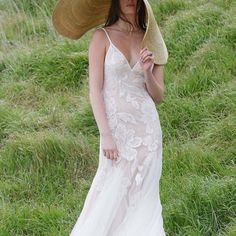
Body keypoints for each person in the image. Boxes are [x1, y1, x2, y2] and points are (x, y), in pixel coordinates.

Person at [52, 0, 168, 235]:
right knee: (109, 193)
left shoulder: (151, 39)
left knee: (144, 198)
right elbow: (95, 90)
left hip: (147, 133)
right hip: (116, 133)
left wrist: (147, 72)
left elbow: (158, 95)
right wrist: (106, 135)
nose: (130, 0)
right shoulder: (101, 37)